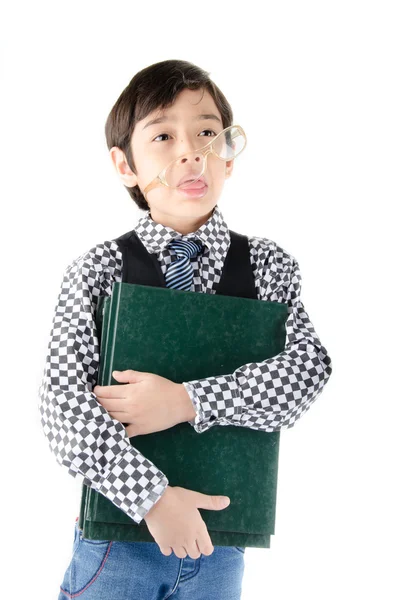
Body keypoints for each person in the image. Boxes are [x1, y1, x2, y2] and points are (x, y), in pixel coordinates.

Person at [38, 59, 333, 600]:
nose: (191, 151)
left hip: (222, 540)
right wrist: (154, 498)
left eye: (206, 132)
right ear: (124, 164)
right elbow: (64, 407)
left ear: (228, 154)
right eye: (163, 135)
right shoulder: (99, 269)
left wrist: (188, 401)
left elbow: (307, 371)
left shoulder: (268, 266)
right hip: (117, 541)